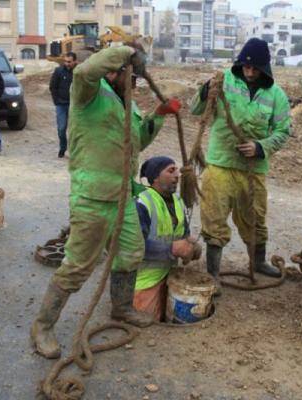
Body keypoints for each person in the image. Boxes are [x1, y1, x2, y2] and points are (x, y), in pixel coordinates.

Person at [30, 46, 183, 359]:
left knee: (130, 252)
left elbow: (136, 139)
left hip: (123, 196)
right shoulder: (88, 91)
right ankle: (42, 326)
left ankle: (122, 308)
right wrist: (126, 50)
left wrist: (158, 115)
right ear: (117, 69)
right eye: (130, 72)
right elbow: (87, 70)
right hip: (93, 197)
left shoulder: (124, 101)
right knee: (78, 266)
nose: (134, 79)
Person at [190, 38, 292, 294]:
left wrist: (260, 147)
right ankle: (213, 273)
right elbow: (196, 109)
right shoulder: (225, 80)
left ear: (264, 69)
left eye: (255, 68)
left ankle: (257, 262)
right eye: (245, 67)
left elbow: (282, 131)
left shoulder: (276, 95)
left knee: (255, 217)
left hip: (253, 169)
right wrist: (206, 90)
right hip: (221, 164)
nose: (249, 72)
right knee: (213, 217)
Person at [133, 156, 200, 321]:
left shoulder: (177, 201)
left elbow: (182, 234)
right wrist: (173, 249)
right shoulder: (141, 203)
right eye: (171, 170)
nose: (177, 175)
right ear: (155, 177)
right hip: (143, 281)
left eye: (177, 170)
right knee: (149, 322)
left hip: (169, 274)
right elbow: (132, 247)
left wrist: (191, 245)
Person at [49, 52, 77, 158]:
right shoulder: (58, 71)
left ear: (74, 61)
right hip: (61, 105)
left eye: (69, 62)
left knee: (75, 129)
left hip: (75, 105)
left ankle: (74, 151)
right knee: (61, 128)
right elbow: (52, 87)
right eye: (65, 61)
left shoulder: (78, 72)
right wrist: (56, 101)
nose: (67, 63)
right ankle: (63, 147)